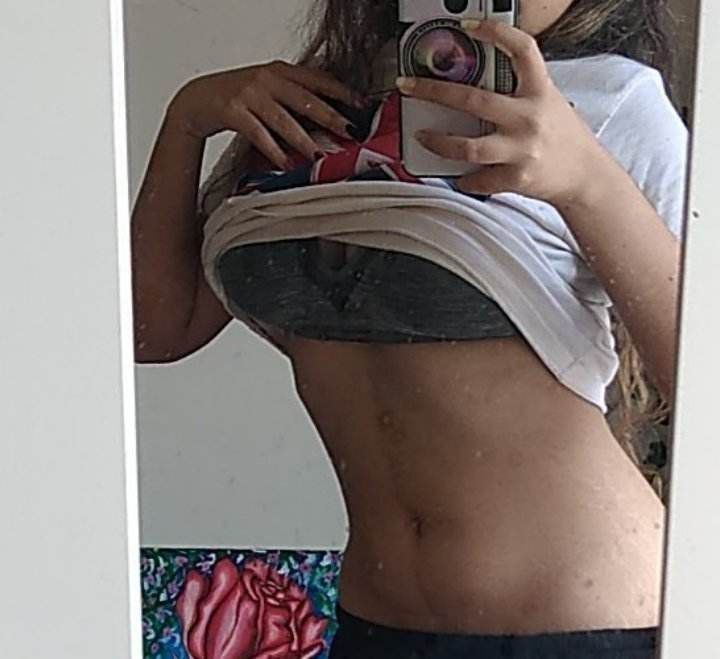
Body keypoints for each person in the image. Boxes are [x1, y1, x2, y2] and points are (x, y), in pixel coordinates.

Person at [131, 1, 687, 656]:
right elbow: (153, 331)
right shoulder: (316, 100)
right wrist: (188, 118)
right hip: (377, 623)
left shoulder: (615, 100)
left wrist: (589, 180)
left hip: (583, 624)